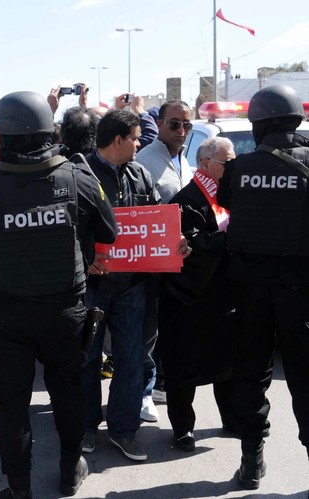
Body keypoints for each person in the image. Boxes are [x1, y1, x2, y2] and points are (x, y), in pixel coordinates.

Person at [0, 90, 117, 499]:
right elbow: (109, 231)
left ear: (5, 136)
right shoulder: (76, 177)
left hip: (8, 315)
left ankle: (19, 488)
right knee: (67, 392)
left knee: (12, 403)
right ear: (49, 131)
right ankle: (69, 470)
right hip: (65, 311)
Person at [216, 84, 309, 490]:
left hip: (250, 290)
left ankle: (251, 463)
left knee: (251, 373)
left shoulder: (240, 168)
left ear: (259, 125)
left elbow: (227, 202)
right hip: (300, 291)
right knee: (305, 378)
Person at [81, 109, 161, 462]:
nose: (139, 144)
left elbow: (156, 220)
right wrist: (85, 258)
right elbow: (67, 227)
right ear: (118, 140)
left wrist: (173, 243)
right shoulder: (79, 173)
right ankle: (85, 426)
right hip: (92, 286)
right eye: (135, 138)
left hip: (132, 287)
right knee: (86, 359)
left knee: (130, 359)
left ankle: (123, 430)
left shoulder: (140, 174)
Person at [159, 137, 238, 452]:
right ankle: (183, 429)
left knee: (228, 365)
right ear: (205, 163)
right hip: (188, 299)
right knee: (182, 368)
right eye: (227, 163)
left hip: (224, 299)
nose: (232, 168)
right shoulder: (186, 200)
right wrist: (228, 238)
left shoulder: (229, 196)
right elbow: (189, 247)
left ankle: (232, 419)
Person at [135, 99, 195, 422]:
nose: (181, 130)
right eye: (174, 124)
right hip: (152, 265)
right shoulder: (146, 160)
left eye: (187, 125)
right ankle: (144, 393)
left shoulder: (182, 158)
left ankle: (157, 386)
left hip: (178, 263)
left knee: (165, 331)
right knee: (147, 332)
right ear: (159, 124)